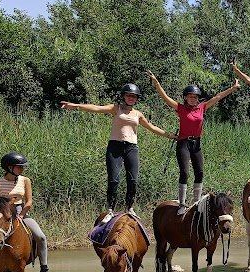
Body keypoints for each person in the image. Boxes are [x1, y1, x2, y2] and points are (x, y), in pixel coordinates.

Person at [61, 83, 176, 221]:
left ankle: (129, 207)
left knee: (133, 180)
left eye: (134, 96)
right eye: (128, 95)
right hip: (115, 147)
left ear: (137, 99)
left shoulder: (138, 114)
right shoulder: (116, 108)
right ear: (123, 96)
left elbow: (151, 127)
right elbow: (96, 108)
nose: (131, 98)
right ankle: (110, 210)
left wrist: (171, 136)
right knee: (114, 179)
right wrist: (75, 106)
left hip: (131, 148)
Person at [148, 71, 240, 215]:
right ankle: (182, 204)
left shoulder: (202, 107)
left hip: (196, 144)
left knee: (200, 172)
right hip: (183, 143)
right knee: (184, 172)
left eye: (195, 97)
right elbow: (165, 97)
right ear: (185, 97)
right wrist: (157, 83)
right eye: (190, 96)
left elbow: (217, 97)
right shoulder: (180, 108)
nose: (193, 99)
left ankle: (197, 203)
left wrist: (232, 88)